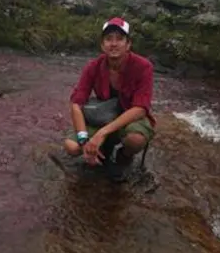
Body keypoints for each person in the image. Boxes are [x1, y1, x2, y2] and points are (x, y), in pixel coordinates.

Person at [63, 17, 156, 176]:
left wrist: (101, 133)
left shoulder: (143, 67)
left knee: (135, 140)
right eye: (108, 39)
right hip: (104, 113)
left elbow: (140, 108)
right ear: (102, 45)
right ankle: (104, 147)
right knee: (72, 147)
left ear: (128, 44)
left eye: (119, 39)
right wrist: (84, 140)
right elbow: (76, 103)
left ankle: (124, 155)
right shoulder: (92, 67)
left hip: (130, 116)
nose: (113, 44)